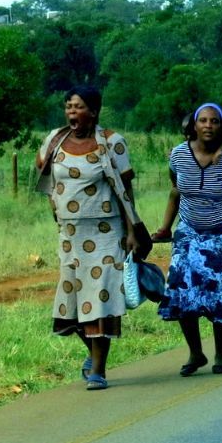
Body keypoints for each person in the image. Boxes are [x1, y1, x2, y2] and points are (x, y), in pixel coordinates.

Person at [35, 85, 146, 391]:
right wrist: (56, 212)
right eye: (69, 106)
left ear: (94, 111)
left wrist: (132, 230)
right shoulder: (54, 140)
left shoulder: (111, 142)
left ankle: (98, 370)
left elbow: (126, 190)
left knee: (100, 297)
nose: (72, 112)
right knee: (73, 300)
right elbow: (47, 178)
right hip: (70, 235)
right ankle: (91, 354)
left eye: (79, 106)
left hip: (107, 232)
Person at [156, 103, 222, 376]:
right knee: (181, 288)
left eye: (214, 121)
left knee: (221, 294)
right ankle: (195, 352)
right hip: (189, 231)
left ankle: (221, 354)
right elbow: (176, 187)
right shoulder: (178, 155)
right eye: (202, 120)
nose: (208, 126)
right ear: (194, 125)